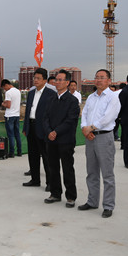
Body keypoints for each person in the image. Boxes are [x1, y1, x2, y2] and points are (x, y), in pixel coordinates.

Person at [78, 69, 121, 218]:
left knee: (107, 174)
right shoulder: (91, 97)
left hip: (104, 137)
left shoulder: (112, 97)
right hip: (90, 137)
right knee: (91, 172)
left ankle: (108, 205)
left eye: (102, 77)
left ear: (109, 80)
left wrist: (91, 127)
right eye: (96, 77)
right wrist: (84, 128)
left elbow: (108, 118)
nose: (98, 80)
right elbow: (84, 114)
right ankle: (92, 201)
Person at [43, 70, 80, 207]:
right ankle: (55, 193)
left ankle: (71, 196)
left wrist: (56, 132)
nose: (57, 82)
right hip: (51, 140)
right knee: (52, 167)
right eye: (56, 80)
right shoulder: (51, 99)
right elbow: (45, 118)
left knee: (67, 168)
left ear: (67, 82)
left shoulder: (72, 101)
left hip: (65, 140)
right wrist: (49, 131)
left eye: (60, 80)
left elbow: (70, 120)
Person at [22, 68, 57, 189]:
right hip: (31, 126)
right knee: (32, 155)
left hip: (43, 128)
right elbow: (28, 111)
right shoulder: (31, 93)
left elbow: (52, 114)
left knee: (46, 157)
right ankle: (35, 179)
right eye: (34, 78)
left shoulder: (51, 94)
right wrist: (25, 127)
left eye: (38, 78)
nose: (35, 80)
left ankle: (50, 183)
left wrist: (50, 129)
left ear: (45, 80)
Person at [1, 79, 22, 158]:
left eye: (4, 88)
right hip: (17, 115)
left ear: (6, 85)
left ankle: (12, 152)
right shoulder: (18, 91)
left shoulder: (8, 92)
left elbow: (8, 105)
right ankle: (19, 151)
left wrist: (2, 103)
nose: (4, 89)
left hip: (10, 116)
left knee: (11, 135)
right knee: (17, 134)